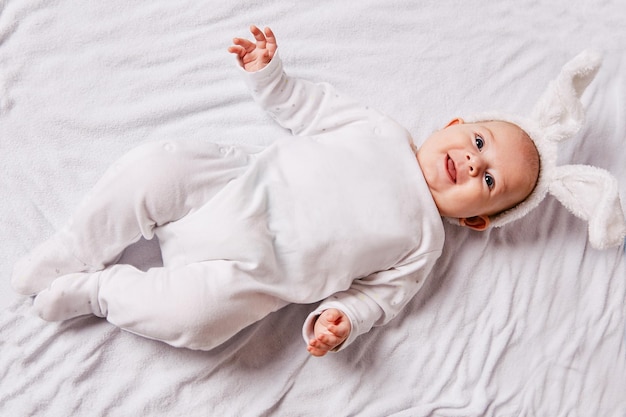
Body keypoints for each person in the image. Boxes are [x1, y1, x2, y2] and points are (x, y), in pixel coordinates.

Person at [18, 25, 616, 358]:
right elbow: (305, 107)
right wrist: (269, 74)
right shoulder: (380, 131)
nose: (470, 162)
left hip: (252, 277)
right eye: (479, 141)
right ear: (454, 125)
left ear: (478, 220)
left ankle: (100, 293)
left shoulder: (424, 244)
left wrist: (339, 321)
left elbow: (377, 300)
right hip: (233, 189)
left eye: (489, 182)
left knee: (199, 323)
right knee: (155, 166)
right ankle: (74, 248)